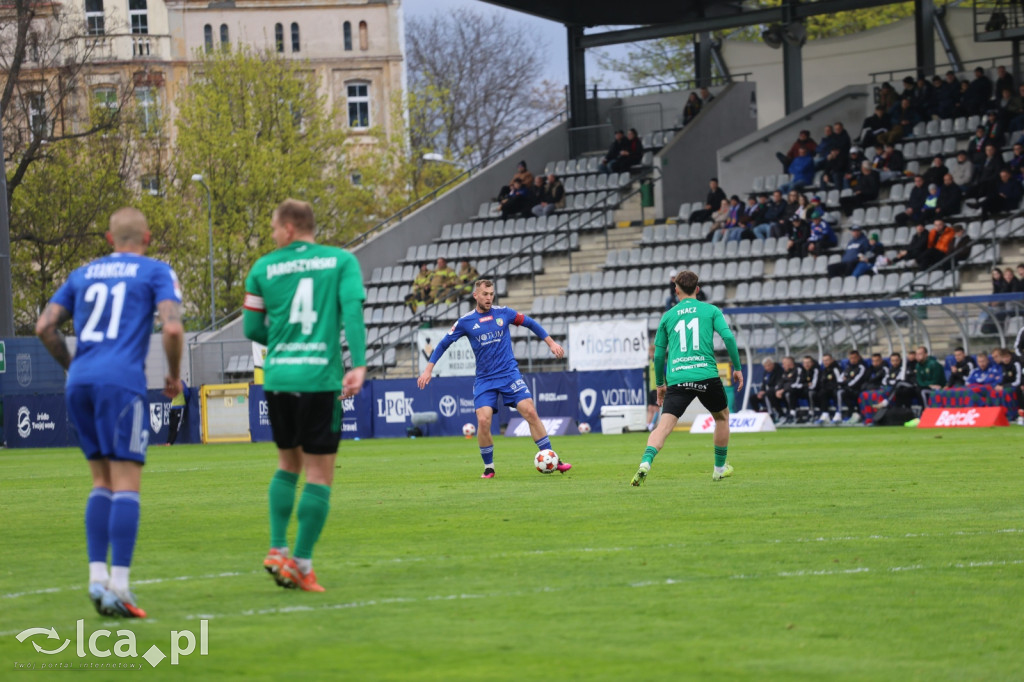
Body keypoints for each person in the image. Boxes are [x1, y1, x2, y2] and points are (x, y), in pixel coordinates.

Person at [35, 207, 184, 618]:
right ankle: (119, 585)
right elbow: (171, 327)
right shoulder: (156, 271)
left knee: (100, 480)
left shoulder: (82, 274)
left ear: (108, 239)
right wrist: (173, 375)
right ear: (147, 238)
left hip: (80, 380)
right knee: (126, 483)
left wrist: (74, 367)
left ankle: (97, 578)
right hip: (121, 383)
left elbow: (44, 326)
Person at [243, 198, 368, 593]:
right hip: (320, 379)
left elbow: (251, 327)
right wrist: (359, 364)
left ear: (291, 228)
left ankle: (277, 548)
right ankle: (301, 563)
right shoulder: (341, 261)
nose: (273, 235)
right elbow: (352, 313)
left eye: (275, 228)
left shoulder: (263, 267)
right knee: (319, 474)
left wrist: (282, 341)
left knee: (287, 465)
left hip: (278, 378)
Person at [418, 279, 570, 479]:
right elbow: (444, 343)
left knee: (530, 411)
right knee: (483, 420)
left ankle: (552, 459)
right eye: (485, 294)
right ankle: (489, 467)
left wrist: (550, 343)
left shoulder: (503, 313)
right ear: (476, 296)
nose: (489, 297)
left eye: (491, 294)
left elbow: (530, 323)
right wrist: (428, 370)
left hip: (509, 375)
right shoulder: (466, 321)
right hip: (485, 380)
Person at [630, 270, 743, 485]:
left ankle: (646, 462)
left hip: (678, 378)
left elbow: (660, 353)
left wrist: (660, 385)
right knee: (721, 417)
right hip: (706, 375)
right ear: (698, 289)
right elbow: (728, 336)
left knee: (663, 427)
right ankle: (719, 469)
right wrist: (737, 367)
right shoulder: (711, 310)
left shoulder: (668, 315)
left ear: (676, 290)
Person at [166, 378, 190, 445]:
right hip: (176, 406)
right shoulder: (178, 383)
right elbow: (187, 394)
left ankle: (169, 442)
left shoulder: (175, 383)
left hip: (176, 406)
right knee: (173, 426)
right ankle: (169, 442)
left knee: (174, 426)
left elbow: (186, 393)